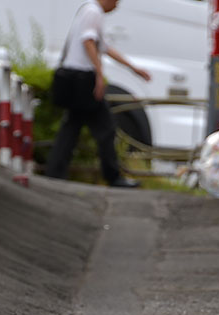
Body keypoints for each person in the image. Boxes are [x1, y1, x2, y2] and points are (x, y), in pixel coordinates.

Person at [45, 0, 151, 188]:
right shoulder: (93, 12)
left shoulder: (89, 11)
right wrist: (99, 74)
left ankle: (54, 173)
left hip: (77, 78)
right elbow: (88, 41)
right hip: (83, 78)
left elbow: (105, 47)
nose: (117, 6)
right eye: (116, 1)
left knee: (71, 128)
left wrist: (133, 68)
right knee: (105, 129)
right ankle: (112, 177)